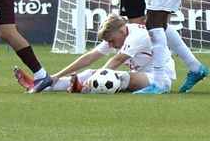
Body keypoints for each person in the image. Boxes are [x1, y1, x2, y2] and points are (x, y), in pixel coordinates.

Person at [16, 13, 176, 94]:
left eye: (112, 41)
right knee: (90, 72)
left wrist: (94, 79)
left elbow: (117, 60)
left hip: (161, 79)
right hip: (143, 75)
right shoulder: (117, 35)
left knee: (122, 77)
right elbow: (90, 57)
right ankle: (42, 85)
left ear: (122, 31)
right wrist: (57, 75)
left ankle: (83, 88)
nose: (111, 45)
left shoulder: (137, 35)